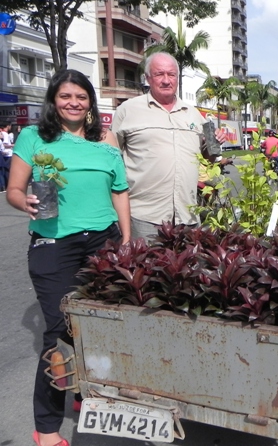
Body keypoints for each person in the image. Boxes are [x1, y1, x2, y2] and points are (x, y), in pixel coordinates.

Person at [6, 69, 131, 446]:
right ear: (54, 101)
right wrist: (22, 201)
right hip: (55, 244)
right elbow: (14, 187)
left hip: (104, 242)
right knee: (58, 333)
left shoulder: (106, 139)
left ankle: (84, 395)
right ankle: (46, 430)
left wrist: (126, 237)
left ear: (91, 102)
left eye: (81, 96)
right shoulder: (34, 137)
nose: (74, 102)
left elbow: (120, 190)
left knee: (100, 325)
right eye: (66, 96)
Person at [111, 52, 225, 241]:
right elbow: (112, 158)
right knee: (145, 269)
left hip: (187, 215)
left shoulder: (193, 114)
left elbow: (207, 159)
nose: (166, 80)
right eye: (159, 74)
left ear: (177, 78)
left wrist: (214, 144)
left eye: (171, 75)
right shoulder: (128, 110)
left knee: (187, 270)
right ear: (148, 78)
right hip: (144, 218)